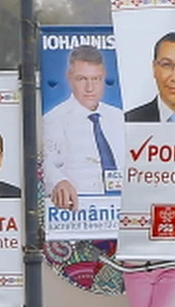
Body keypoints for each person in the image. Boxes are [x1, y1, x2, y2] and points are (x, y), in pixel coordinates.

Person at [42, 45, 125, 210]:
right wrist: (58, 181)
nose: (89, 88)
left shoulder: (120, 118)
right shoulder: (54, 120)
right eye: (82, 79)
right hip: (80, 215)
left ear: (104, 78)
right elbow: (44, 163)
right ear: (69, 77)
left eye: (95, 79)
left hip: (122, 211)